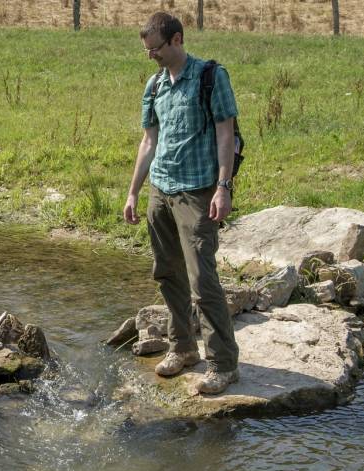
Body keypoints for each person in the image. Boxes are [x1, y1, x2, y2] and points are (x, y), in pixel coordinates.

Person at [123, 12, 240, 395]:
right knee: (166, 272)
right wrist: (133, 192)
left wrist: (223, 186)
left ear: (177, 40)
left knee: (202, 280)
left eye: (155, 48)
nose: (151, 55)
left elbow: (226, 134)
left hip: (198, 191)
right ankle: (184, 347)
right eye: (147, 50)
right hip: (161, 189)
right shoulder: (154, 85)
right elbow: (148, 142)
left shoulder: (211, 76)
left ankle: (223, 364)